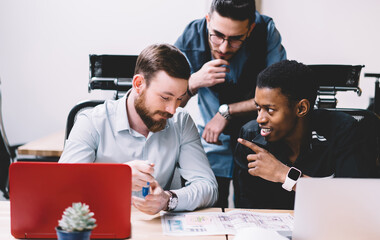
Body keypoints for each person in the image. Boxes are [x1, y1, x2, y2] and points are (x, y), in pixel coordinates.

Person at [59, 43, 218, 214]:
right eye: (165, 97)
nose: (172, 109)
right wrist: (117, 179)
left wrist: (167, 200)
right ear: (138, 84)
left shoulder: (181, 122)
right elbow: (62, 187)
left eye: (179, 99)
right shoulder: (92, 122)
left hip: (155, 231)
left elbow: (208, 187)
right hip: (101, 222)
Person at [175, 0, 286, 207]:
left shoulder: (266, 31)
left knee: (255, 216)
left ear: (250, 29)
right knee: (208, 214)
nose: (224, 47)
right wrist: (193, 82)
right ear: (208, 21)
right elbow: (169, 102)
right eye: (217, 36)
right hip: (211, 147)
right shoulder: (191, 35)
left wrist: (226, 112)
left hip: (259, 145)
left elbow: (278, 97)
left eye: (235, 39)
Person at [234, 60, 378, 209]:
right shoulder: (250, 138)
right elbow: (246, 211)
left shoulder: (346, 132)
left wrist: (285, 175)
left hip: (329, 228)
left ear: (301, 108)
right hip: (269, 229)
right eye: (258, 108)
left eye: (270, 109)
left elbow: (356, 203)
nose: (260, 119)